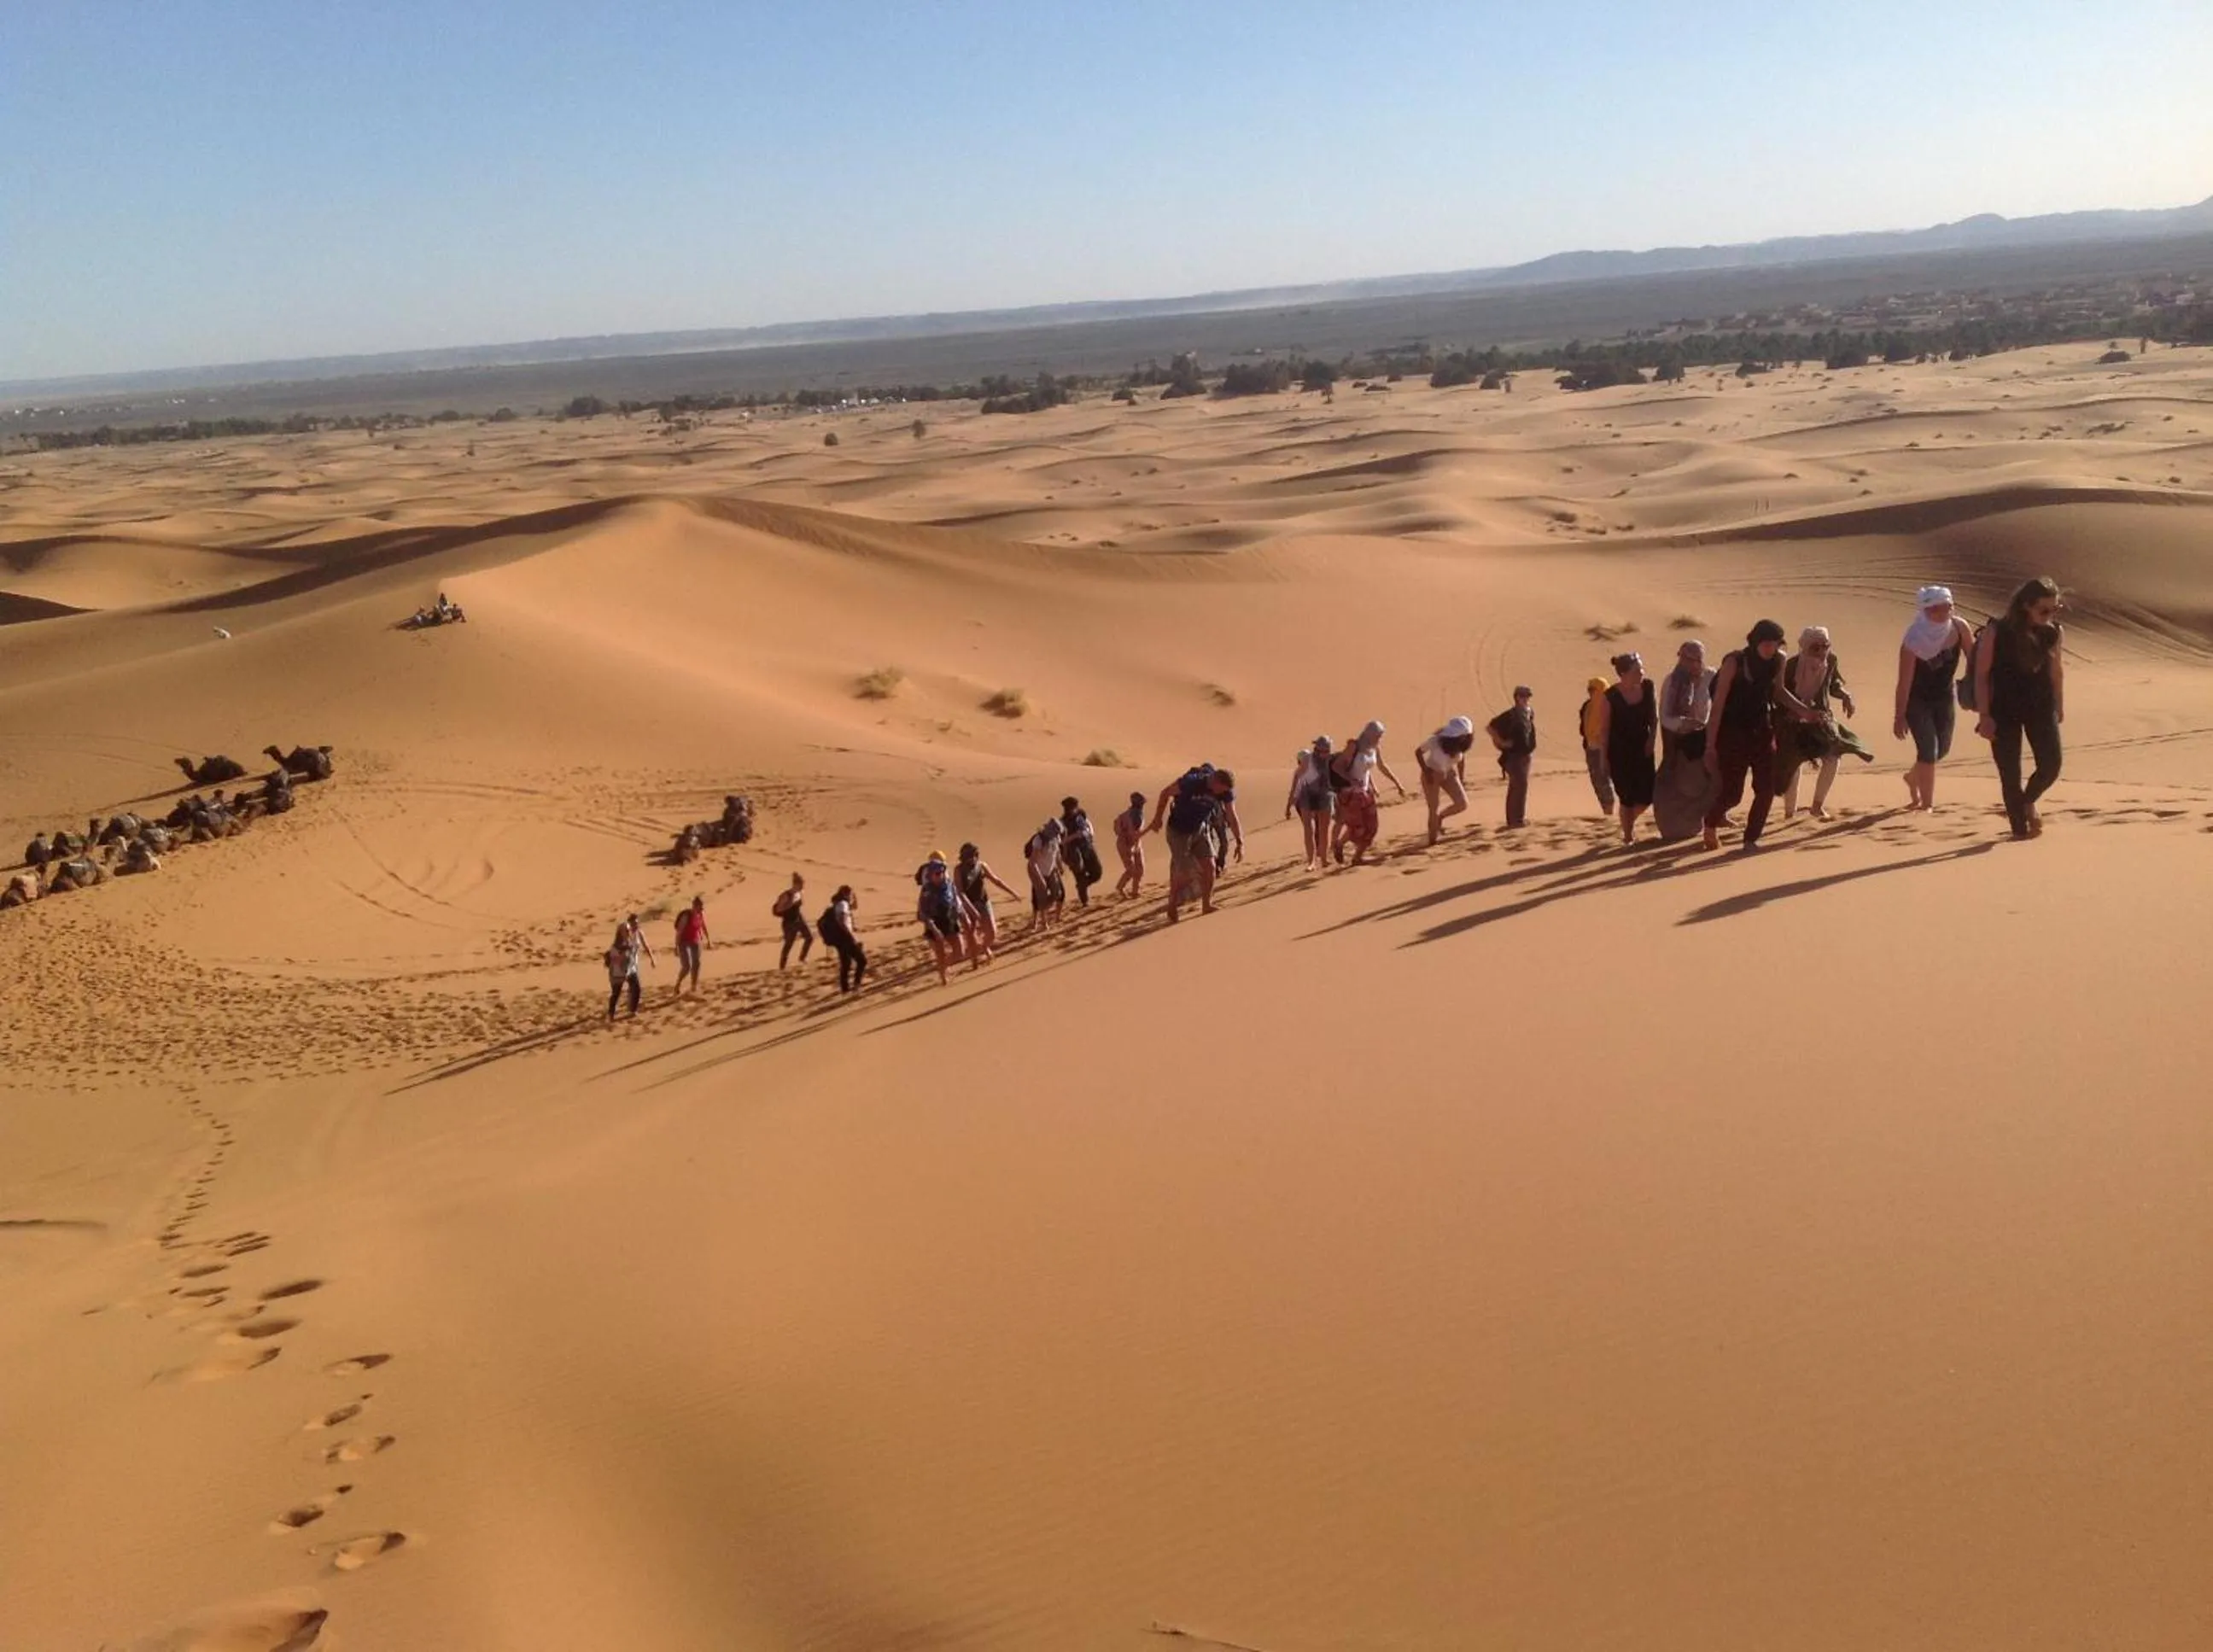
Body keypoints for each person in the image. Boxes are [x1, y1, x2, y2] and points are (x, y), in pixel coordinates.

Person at [1703, 620, 1819, 851]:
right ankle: (1710, 823)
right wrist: (1710, 745)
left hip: (1762, 730)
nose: (1770, 648)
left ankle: (1750, 839)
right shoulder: (1734, 662)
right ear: (1755, 642)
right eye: (1765, 643)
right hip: (1732, 733)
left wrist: (1804, 711)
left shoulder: (1779, 659)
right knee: (1732, 794)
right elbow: (1717, 706)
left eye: (1774, 644)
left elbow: (1779, 692)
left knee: (1766, 788)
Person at [1974, 575, 2066, 839]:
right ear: (2026, 605)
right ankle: (2018, 830)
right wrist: (1985, 715)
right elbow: (1982, 674)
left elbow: (2056, 671)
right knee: (2010, 774)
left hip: (2041, 706)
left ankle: (2028, 802)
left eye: (2055, 609)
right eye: (2044, 610)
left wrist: (2059, 704)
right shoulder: (1997, 631)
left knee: (2051, 765)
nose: (2050, 615)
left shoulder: (2054, 631)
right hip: (2003, 710)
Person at [1777, 627, 1873, 820]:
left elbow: (1834, 684)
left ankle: (1817, 806)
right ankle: (1789, 813)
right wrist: (1796, 712)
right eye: (1815, 648)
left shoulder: (1831, 660)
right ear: (1804, 647)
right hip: (1793, 723)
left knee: (1832, 758)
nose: (1821, 652)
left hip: (1821, 720)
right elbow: (1779, 695)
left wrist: (1846, 695)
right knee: (1793, 765)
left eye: (1825, 646)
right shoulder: (1790, 666)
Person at [1894, 585, 1976, 811]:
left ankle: (1913, 777)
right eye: (1934, 609)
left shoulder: (1960, 627)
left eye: (1946, 608)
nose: (1941, 614)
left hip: (1945, 696)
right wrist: (1899, 716)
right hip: (1917, 700)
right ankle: (1926, 805)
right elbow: (1904, 682)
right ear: (1924, 610)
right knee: (1928, 749)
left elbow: (1975, 659)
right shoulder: (1912, 640)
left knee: (1943, 749)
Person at [1146, 763, 1242, 921]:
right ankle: (1172, 904)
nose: (1222, 795)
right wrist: (1157, 818)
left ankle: (1207, 905)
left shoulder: (1225, 792)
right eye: (1222, 790)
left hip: (1200, 829)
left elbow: (1232, 814)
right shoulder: (1191, 782)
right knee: (1183, 872)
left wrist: (1240, 841)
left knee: (1210, 867)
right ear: (1215, 782)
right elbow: (1165, 793)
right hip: (1178, 831)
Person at [1653, 639, 1717, 841]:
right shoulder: (1672, 681)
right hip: (1681, 742)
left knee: (1715, 780)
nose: (1690, 664)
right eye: (1686, 658)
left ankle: (1715, 818)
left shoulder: (1711, 677)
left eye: (1695, 659)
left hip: (1706, 739)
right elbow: (1665, 717)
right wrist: (1683, 724)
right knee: (1678, 785)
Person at [1596, 653, 1658, 844]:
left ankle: (1627, 823)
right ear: (1623, 673)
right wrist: (1603, 758)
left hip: (1643, 749)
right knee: (1627, 797)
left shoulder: (1648, 687)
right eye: (1637, 670)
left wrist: (1652, 740)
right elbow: (1604, 730)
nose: (1641, 672)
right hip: (1619, 753)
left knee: (1648, 795)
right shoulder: (1610, 697)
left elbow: (1654, 719)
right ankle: (1628, 836)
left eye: (1642, 668)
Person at [1328, 720, 1404, 865]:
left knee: (1372, 827)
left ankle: (1357, 857)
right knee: (1358, 828)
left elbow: (1382, 766)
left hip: (1365, 792)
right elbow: (1337, 767)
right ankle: (1340, 845)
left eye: (1381, 735)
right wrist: (1351, 779)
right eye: (1377, 735)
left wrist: (1397, 783)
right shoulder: (1354, 746)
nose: (1379, 738)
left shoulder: (1375, 748)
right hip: (1350, 794)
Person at [1413, 716, 1476, 844]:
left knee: (1462, 803)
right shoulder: (1436, 740)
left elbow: (1461, 759)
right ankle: (1432, 841)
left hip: (1450, 773)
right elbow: (1418, 752)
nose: (1465, 737)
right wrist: (1426, 771)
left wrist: (1461, 777)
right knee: (1433, 808)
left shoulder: (1463, 743)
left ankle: (1441, 817)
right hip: (1432, 773)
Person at [914, 852, 971, 985]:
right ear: (931, 875)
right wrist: (934, 929)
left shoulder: (949, 884)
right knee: (940, 954)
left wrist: (962, 913)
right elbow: (923, 913)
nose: (940, 875)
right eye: (937, 873)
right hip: (935, 924)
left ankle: (944, 967)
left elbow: (955, 900)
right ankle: (944, 980)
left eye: (942, 872)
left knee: (960, 952)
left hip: (950, 921)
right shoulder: (927, 891)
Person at [955, 842, 1019, 959]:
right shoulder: (959, 870)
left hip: (983, 901)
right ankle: (974, 957)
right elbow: (960, 892)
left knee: (992, 932)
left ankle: (985, 947)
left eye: (974, 856)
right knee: (971, 932)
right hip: (968, 905)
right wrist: (972, 909)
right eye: (969, 857)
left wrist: (1012, 893)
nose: (972, 859)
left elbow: (996, 880)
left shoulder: (982, 866)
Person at [1486, 688, 1537, 828]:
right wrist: (1501, 743)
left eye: (1527, 696)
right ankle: (1516, 821)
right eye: (1523, 696)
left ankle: (1516, 819)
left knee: (1519, 786)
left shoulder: (1529, 712)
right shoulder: (1511, 714)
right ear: (1516, 698)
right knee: (1519, 785)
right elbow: (1490, 727)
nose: (1526, 699)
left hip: (1526, 755)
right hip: (1513, 756)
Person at [1286, 737, 1335, 870]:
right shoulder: (1308, 760)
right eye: (1323, 750)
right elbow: (1298, 778)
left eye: (1328, 750)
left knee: (1324, 829)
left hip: (1325, 795)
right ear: (1317, 749)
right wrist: (1291, 800)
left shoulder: (1332, 760)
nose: (1325, 753)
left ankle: (1324, 859)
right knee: (1309, 829)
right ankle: (1311, 862)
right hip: (1307, 795)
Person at [604, 913, 654, 1020]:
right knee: (616, 993)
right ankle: (610, 1014)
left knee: (637, 988)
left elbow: (640, 947)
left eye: (628, 930)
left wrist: (650, 958)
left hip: (631, 969)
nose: (628, 931)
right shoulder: (616, 946)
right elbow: (614, 960)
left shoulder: (632, 938)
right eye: (626, 930)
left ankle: (633, 1010)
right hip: (618, 972)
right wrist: (625, 952)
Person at [1578, 677, 1614, 815]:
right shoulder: (1587, 706)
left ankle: (1615, 814)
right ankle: (1607, 812)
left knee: (1609, 780)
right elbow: (1583, 727)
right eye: (1589, 690)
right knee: (1598, 781)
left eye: (1594, 689)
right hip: (1592, 748)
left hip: (1607, 748)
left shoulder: (1611, 705)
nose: (1591, 692)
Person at [819, 885, 866, 993]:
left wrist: (854, 896)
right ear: (845, 894)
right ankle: (856, 986)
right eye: (850, 894)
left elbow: (854, 906)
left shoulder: (840, 903)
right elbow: (842, 920)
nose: (851, 897)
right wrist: (850, 935)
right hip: (845, 937)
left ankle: (845, 989)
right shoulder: (842, 905)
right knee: (862, 961)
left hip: (839, 938)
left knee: (846, 963)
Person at [1058, 797, 1104, 906]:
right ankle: (1085, 901)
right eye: (1071, 807)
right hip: (1074, 852)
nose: (1074, 809)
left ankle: (1083, 885)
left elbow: (1087, 824)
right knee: (1080, 875)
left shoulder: (1081, 814)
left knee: (1097, 873)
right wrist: (1074, 836)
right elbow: (1061, 841)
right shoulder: (1062, 823)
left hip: (1088, 847)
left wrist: (1090, 832)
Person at [1025, 817, 1066, 928]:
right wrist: (1040, 878)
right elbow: (1033, 862)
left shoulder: (1056, 838)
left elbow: (1056, 854)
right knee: (1041, 895)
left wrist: (1060, 866)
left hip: (1051, 869)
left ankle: (1042, 913)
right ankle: (1044, 921)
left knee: (1056, 893)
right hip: (1037, 870)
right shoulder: (1039, 840)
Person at [1112, 791, 1148, 898]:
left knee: (1140, 869)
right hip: (1125, 845)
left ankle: (1135, 891)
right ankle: (1120, 887)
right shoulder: (1126, 816)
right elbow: (1118, 828)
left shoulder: (1139, 814)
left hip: (1136, 844)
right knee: (1131, 870)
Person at [773, 873, 812, 969]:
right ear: (795, 884)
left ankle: (802, 958)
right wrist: (790, 904)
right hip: (789, 922)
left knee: (809, 937)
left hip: (799, 918)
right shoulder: (786, 895)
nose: (803, 886)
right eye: (801, 884)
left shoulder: (799, 893)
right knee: (788, 944)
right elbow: (778, 909)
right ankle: (782, 966)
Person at [673, 896, 709, 993]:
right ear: (694, 906)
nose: (700, 910)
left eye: (701, 908)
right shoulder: (686, 916)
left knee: (697, 963)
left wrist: (708, 939)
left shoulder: (700, 915)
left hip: (695, 940)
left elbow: (703, 926)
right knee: (686, 967)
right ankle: (678, 984)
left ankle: (694, 986)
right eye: (699, 907)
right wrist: (676, 947)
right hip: (683, 942)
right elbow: (679, 931)